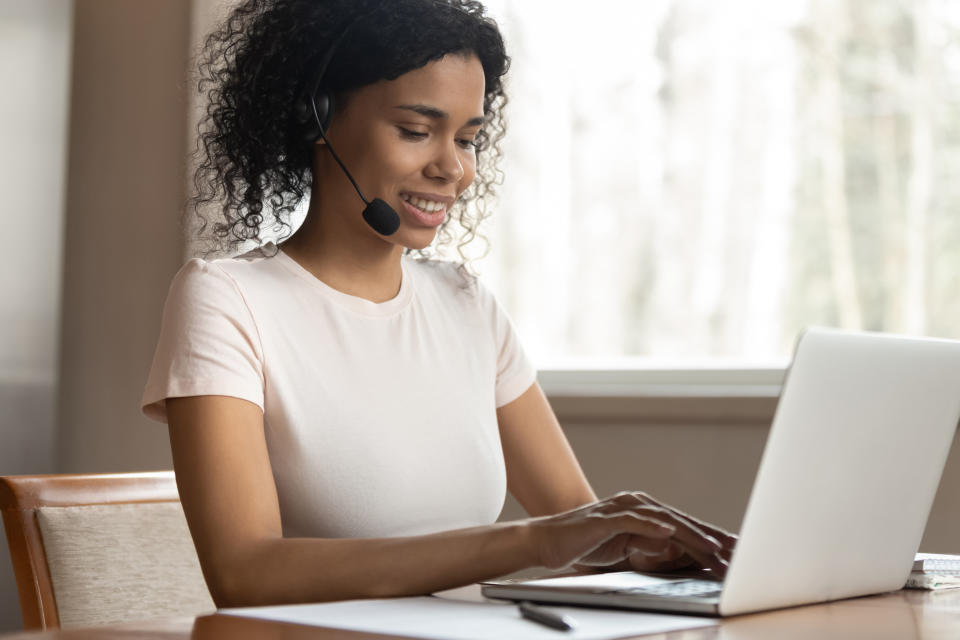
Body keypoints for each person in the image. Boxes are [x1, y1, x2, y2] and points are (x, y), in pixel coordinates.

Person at [142, 0, 736, 608]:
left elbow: (579, 533)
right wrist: (528, 542)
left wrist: (645, 547)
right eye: (416, 131)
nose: (452, 167)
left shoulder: (464, 304)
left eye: (468, 138)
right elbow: (245, 571)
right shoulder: (228, 299)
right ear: (314, 117)